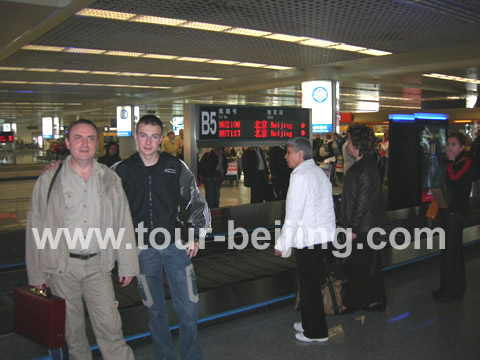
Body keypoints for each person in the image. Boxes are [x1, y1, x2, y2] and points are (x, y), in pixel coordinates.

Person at [26, 119, 139, 360]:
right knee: (73, 334)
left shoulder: (109, 179)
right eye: (78, 137)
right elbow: (35, 226)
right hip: (62, 268)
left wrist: (127, 263)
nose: (84, 143)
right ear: (67, 143)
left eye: (90, 138)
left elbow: (123, 222)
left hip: (99, 266)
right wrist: (36, 275)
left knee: (111, 329)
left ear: (97, 144)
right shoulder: (49, 180)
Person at [114, 115, 210, 360]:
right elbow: (108, 208)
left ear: (161, 139)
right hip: (142, 251)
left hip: (176, 247)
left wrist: (196, 235)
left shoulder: (175, 166)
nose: (148, 142)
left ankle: (191, 356)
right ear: (135, 137)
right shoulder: (121, 171)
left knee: (188, 307)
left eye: (154, 136)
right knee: (154, 311)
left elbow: (195, 201)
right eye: (143, 135)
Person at [274, 137, 336, 343]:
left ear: (300, 154)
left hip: (307, 238)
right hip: (319, 237)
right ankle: (310, 322)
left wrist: (282, 245)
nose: (285, 156)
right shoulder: (317, 171)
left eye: (289, 152)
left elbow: (293, 214)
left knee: (308, 286)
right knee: (309, 284)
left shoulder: (300, 176)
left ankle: (317, 332)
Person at [341, 124, 386, 312]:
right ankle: (373, 299)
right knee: (369, 264)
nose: (347, 145)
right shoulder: (367, 164)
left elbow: (362, 201)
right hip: (367, 226)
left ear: (358, 143)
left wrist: (352, 227)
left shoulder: (365, 167)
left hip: (363, 228)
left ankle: (354, 302)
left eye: (350, 141)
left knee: (359, 265)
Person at [433, 132, 472, 302]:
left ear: (462, 147)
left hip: (456, 213)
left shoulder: (465, 162)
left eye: (454, 144)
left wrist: (449, 161)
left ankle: (452, 290)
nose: (450, 147)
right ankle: (448, 287)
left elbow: (454, 178)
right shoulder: (454, 162)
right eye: (448, 144)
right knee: (448, 251)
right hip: (448, 211)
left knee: (452, 252)